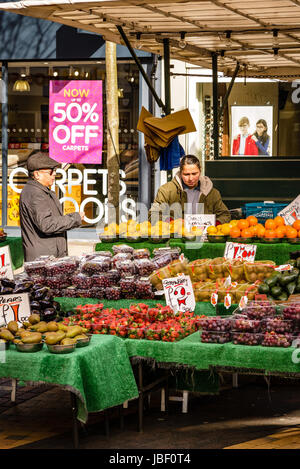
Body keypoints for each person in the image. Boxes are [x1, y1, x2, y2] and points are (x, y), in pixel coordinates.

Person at [19, 151, 85, 261]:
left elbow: (50, 220)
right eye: (50, 171)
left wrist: (73, 216)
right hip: (43, 258)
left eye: (55, 171)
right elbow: (47, 224)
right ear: (37, 174)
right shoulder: (36, 194)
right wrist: (75, 218)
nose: (54, 174)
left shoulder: (40, 191)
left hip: (48, 254)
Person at [148, 155, 231, 224]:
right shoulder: (165, 190)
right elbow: (153, 215)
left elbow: (225, 215)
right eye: (186, 174)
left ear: (200, 171)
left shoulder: (213, 193)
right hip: (175, 237)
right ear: (180, 172)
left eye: (194, 174)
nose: (191, 178)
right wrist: (172, 222)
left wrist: (213, 225)